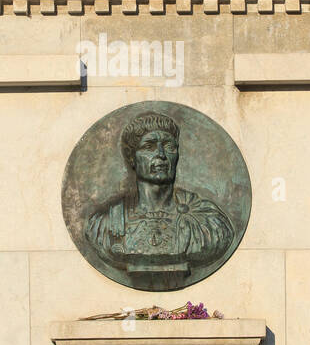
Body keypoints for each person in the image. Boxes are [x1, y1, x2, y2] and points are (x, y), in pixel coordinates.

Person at [84, 112, 233, 278]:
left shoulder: (208, 222)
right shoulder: (105, 224)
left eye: (169, 147)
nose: (161, 155)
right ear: (132, 157)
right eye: (149, 147)